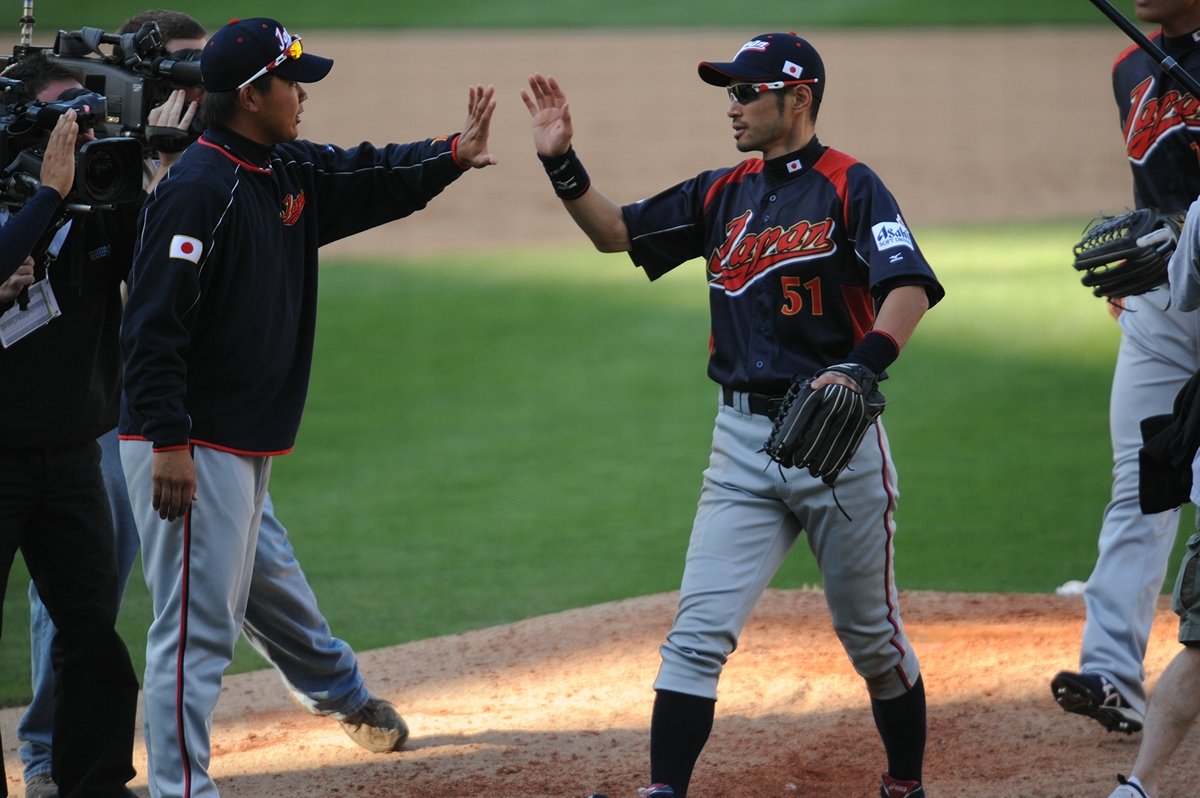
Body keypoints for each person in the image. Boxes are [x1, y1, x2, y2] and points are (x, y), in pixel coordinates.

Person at [523, 31, 942, 798]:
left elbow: (907, 284)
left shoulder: (852, 184)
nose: (733, 106)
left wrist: (860, 365)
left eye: (746, 92)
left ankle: (906, 784)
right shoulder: (722, 192)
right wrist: (561, 162)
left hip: (837, 444)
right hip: (742, 443)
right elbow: (617, 233)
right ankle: (664, 791)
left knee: (873, 642)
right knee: (696, 636)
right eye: (729, 91)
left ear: (798, 99)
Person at [17, 13, 410, 796]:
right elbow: (130, 293)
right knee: (81, 590)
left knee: (266, 571)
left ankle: (340, 690)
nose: (193, 90)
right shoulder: (111, 159)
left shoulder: (212, 161)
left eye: (203, 74)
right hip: (121, 412)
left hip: (204, 421)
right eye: (183, 75)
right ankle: (45, 757)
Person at [118, 17, 496, 798]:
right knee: (193, 636)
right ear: (251, 95)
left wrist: (452, 156)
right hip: (193, 442)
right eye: (292, 82)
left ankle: (332, 695)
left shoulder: (282, 169)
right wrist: (169, 440)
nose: (303, 94)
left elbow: (369, 174)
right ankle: (180, 791)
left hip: (239, 441)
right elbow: (153, 324)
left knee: (247, 603)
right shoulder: (199, 187)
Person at [1051, 0, 1200, 736]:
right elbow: (1158, 191)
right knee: (1141, 479)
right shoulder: (1131, 65)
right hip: (1159, 307)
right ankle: (1112, 673)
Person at [0, 53, 141, 798]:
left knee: (91, 636)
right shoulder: (38, 199)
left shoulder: (94, 197)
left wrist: (153, 173)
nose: (79, 132)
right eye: (64, 117)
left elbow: (154, 263)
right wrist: (48, 197)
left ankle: (96, 785)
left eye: (84, 117)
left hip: (71, 455)